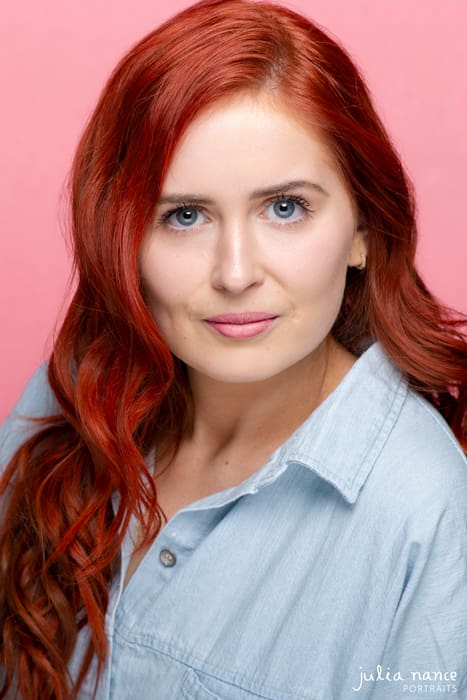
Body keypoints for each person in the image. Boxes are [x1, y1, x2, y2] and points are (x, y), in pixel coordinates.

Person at [1, 0, 466, 698]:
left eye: (285, 208)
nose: (236, 272)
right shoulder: (69, 396)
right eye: (184, 216)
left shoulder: (424, 510)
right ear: (122, 236)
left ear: (364, 230)